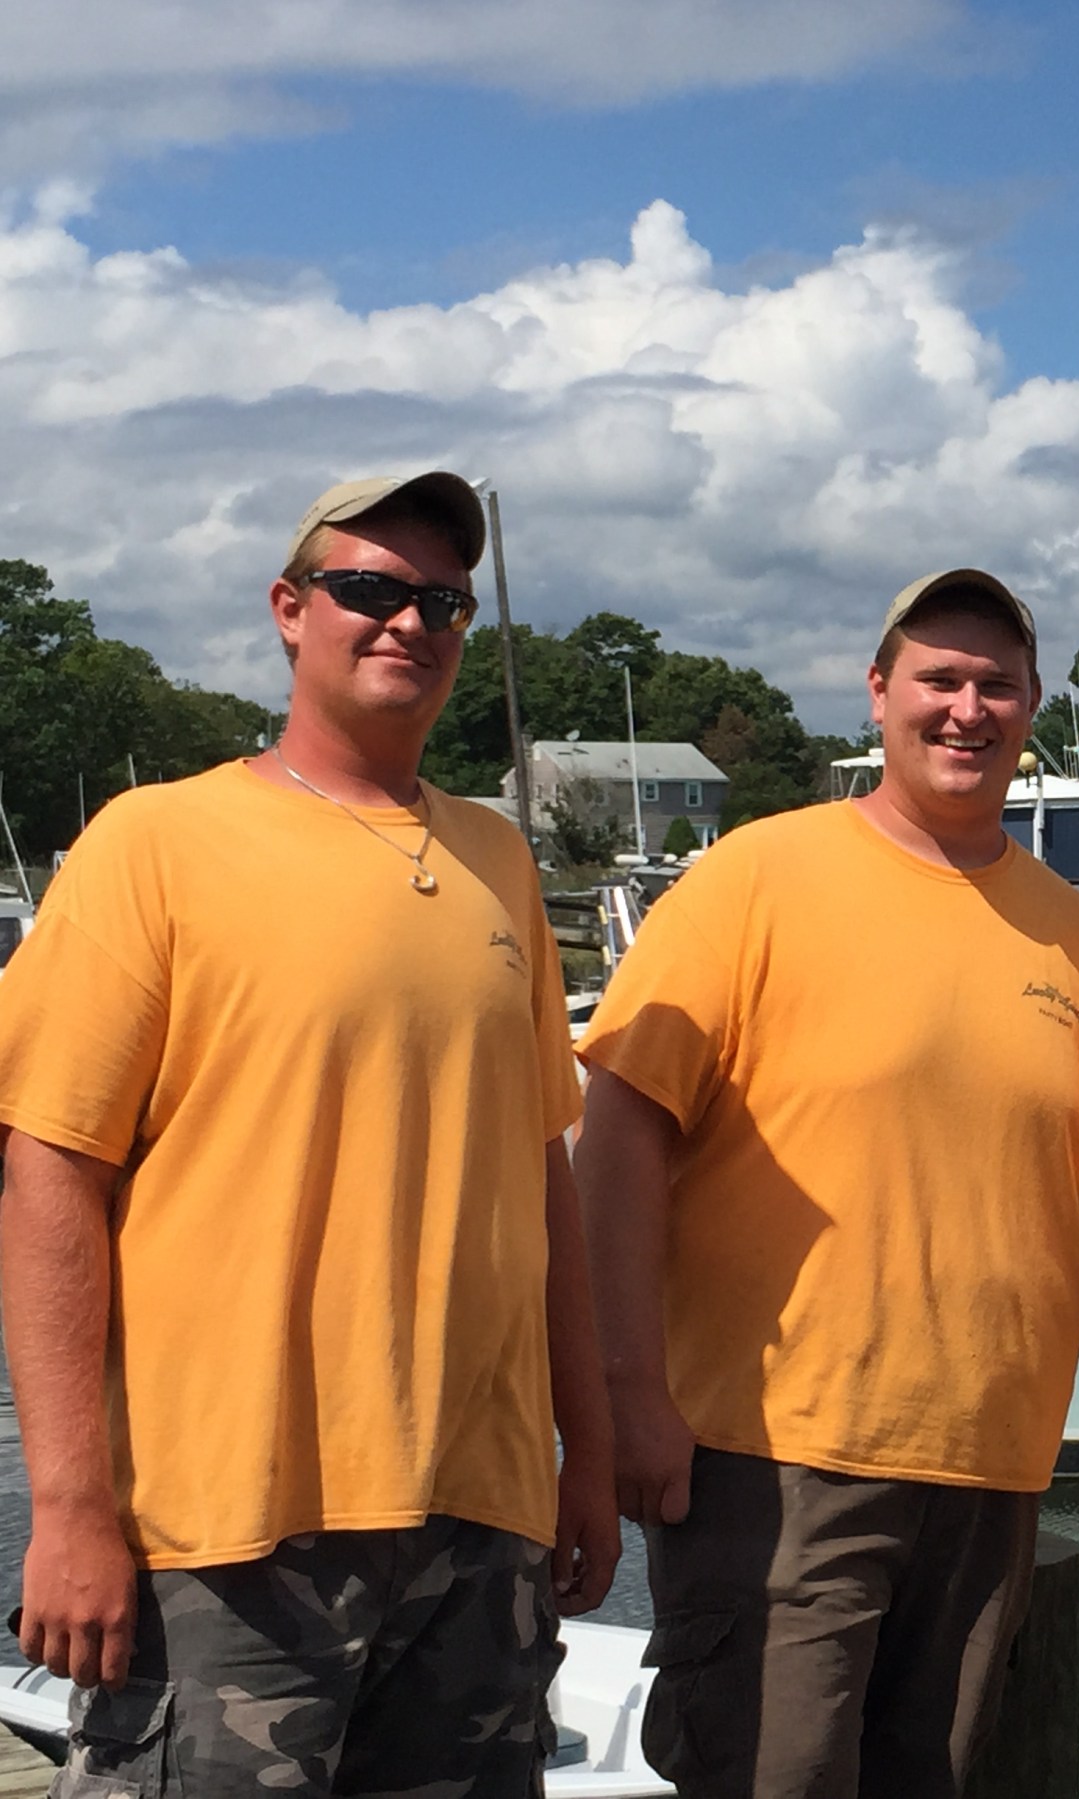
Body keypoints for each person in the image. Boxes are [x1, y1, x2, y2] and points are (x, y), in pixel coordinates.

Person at [0, 471, 618, 1795]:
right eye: (370, 589)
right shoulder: (153, 843)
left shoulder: (501, 862)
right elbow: (51, 1170)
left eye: (441, 600)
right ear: (291, 610)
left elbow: (540, 1182)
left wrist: (589, 1448)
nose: (410, 621)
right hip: (227, 1527)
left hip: (479, 1522)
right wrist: (68, 1507)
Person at [574, 568, 1079, 1799]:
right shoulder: (758, 876)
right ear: (878, 694)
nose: (966, 708)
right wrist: (629, 1388)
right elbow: (620, 1128)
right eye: (938, 679)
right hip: (772, 1456)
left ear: (1032, 704)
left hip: (994, 1468)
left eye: (994, 683)